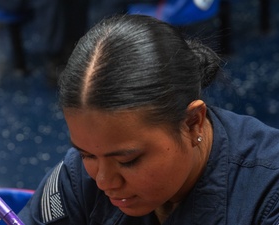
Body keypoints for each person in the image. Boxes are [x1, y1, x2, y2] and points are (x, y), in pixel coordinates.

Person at [18, 14, 279, 224]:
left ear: (192, 123)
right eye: (87, 155)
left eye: (128, 160)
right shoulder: (77, 177)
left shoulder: (268, 194)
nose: (104, 182)